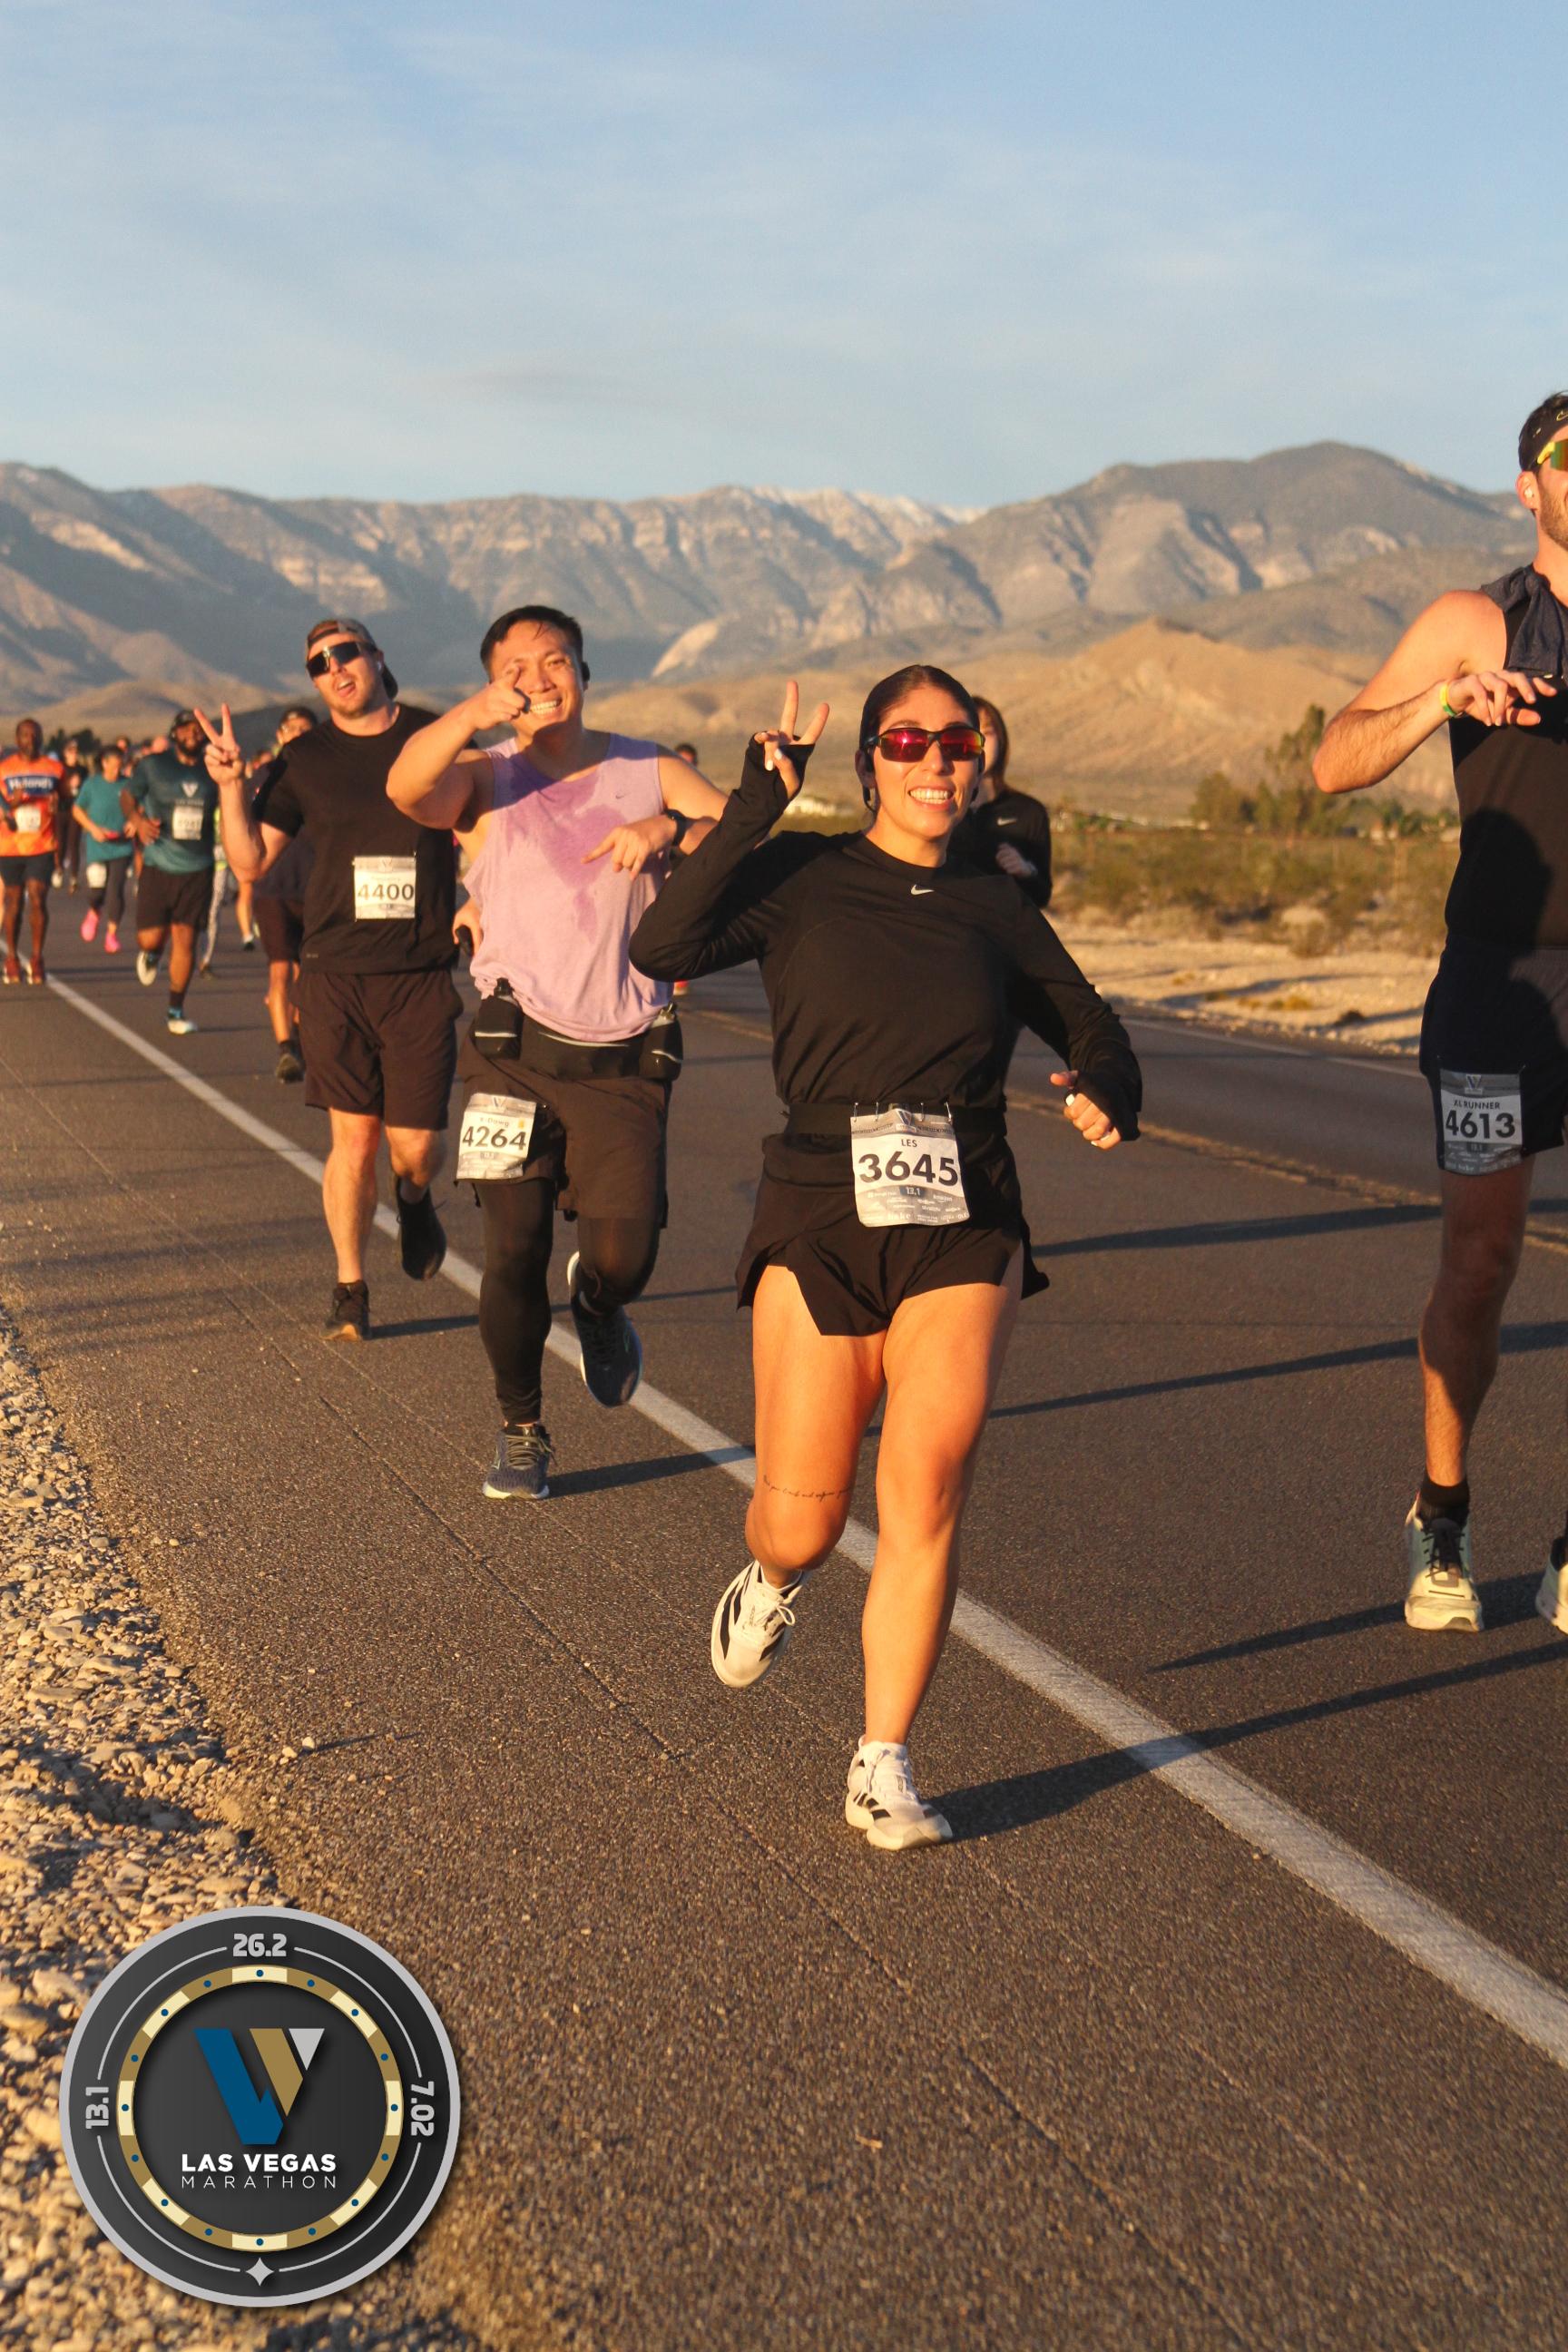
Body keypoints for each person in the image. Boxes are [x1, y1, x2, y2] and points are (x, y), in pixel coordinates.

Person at [630, 668, 1141, 1850]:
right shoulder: (801, 875)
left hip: (966, 1213)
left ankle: (883, 1761)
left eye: (955, 743)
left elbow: (1091, 1021)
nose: (933, 762)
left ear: (979, 763)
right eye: (907, 742)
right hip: (820, 1208)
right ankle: (770, 1583)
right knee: (801, 1523)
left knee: (928, 1477)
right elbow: (665, 940)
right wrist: (755, 804)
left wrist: (1110, 1086)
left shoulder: (996, 904)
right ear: (869, 763)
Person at [1314, 388, 1568, 1639]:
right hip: (1498, 988)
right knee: (1481, 1261)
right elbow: (1333, 760)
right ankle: (1445, 1513)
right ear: (1530, 485)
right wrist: (1441, 702)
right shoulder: (1479, 620)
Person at [387, 603, 726, 1499]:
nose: (539, 679)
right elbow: (408, 790)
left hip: (624, 1059)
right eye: (517, 667)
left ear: (584, 672)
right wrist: (471, 716)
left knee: (625, 1259)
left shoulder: (649, 768)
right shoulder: (487, 776)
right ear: (493, 683)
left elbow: (739, 832)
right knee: (513, 1247)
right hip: (514, 1054)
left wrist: (667, 829)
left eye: (557, 660)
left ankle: (601, 1305)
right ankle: (521, 1428)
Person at [203, 620, 454, 1342]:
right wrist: (230, 788)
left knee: (415, 1148)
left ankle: (415, 1198)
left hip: (419, 971)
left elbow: (488, 826)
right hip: (336, 971)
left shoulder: (433, 737)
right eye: (318, 663)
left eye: (346, 653)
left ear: (377, 656)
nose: (335, 668)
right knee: (355, 1138)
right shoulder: (303, 759)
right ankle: (350, 1286)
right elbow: (250, 860)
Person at [122, 709, 220, 1035]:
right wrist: (137, 822)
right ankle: (151, 954)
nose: (193, 734)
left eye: (198, 729)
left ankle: (175, 1011)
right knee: (149, 938)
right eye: (186, 729)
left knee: (186, 938)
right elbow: (128, 796)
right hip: (159, 864)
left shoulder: (213, 768)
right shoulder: (154, 765)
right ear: (174, 733)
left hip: (198, 867)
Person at [249, 706, 317, 1082]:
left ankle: (303, 1043)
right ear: (279, 736)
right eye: (291, 728)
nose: (297, 733)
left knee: (310, 977)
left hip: (318, 889)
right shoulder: (263, 776)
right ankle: (286, 1048)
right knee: (279, 970)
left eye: (305, 728)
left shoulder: (328, 777)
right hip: (272, 888)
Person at [949, 697, 1053, 907]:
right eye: (968, 734)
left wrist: (1026, 871)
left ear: (1001, 740)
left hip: (1005, 926)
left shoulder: (1029, 812)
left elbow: (1042, 896)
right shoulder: (937, 807)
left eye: (987, 732)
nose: (979, 743)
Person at [0, 718, 64, 983]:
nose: (31, 739)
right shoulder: (4, 770)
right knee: (13, 903)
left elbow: (66, 802)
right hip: (10, 846)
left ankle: (37, 958)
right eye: (25, 735)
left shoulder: (55, 769)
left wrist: (57, 806)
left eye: (35, 734)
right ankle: (12, 958)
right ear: (17, 739)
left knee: (38, 898)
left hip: (42, 844)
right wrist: (12, 805)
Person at [73, 746, 134, 952]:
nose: (117, 770)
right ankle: (94, 911)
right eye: (114, 766)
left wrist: (134, 823)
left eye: (120, 766)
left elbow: (141, 806)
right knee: (97, 890)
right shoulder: (92, 784)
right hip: (98, 847)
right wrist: (93, 829)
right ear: (104, 763)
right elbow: (77, 809)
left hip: (121, 847)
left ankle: (112, 934)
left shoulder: (128, 784)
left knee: (116, 891)